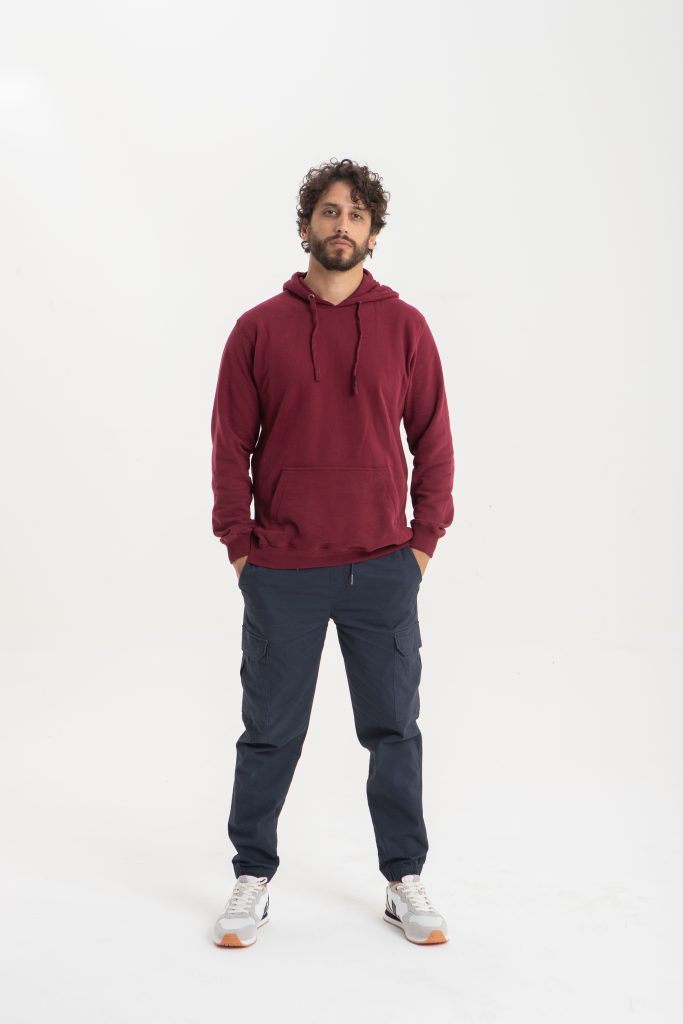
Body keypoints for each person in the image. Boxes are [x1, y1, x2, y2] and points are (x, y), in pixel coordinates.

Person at [210, 157, 455, 947]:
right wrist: (240, 548)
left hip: (381, 567)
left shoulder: (405, 326)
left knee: (394, 730)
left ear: (373, 234)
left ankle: (402, 878)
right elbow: (229, 446)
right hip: (281, 571)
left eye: (355, 214)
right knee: (269, 733)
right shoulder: (258, 329)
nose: (340, 224)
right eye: (327, 211)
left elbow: (433, 440)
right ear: (305, 226)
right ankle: (251, 876)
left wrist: (421, 544)